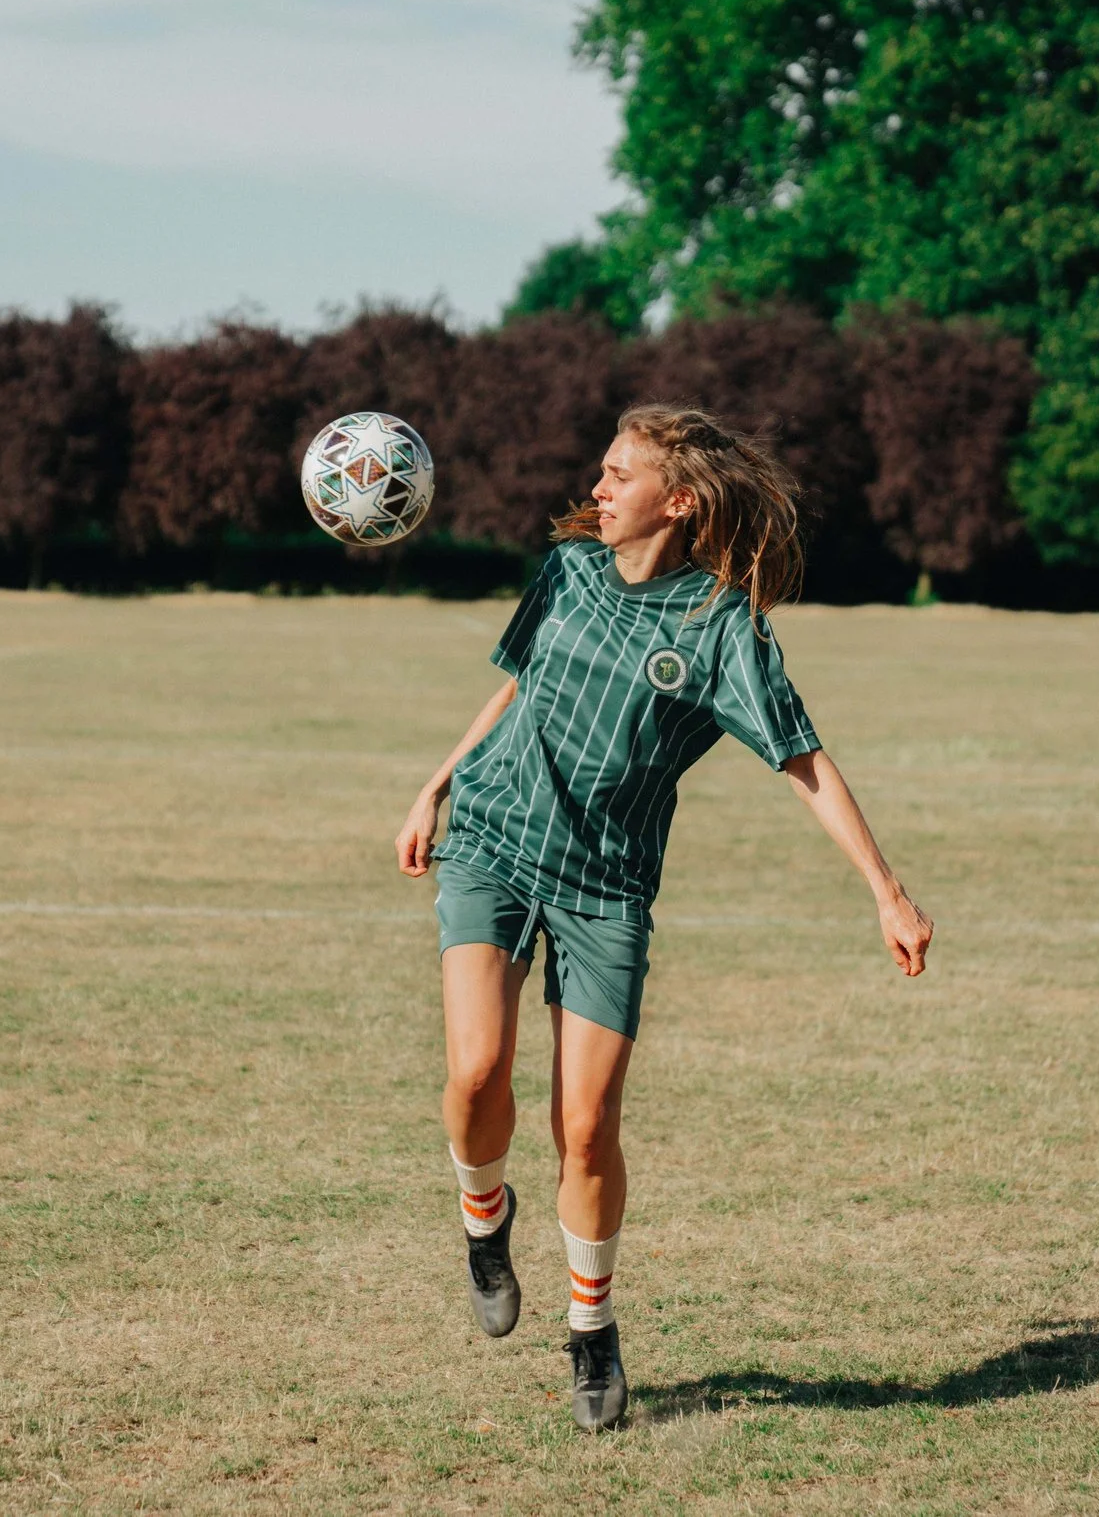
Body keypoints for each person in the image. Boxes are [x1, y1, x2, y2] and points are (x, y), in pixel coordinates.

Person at [394, 403, 935, 1433]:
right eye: (599, 471)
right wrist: (435, 783)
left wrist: (886, 888)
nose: (595, 489)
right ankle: (482, 1214)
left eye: (616, 475)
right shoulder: (565, 571)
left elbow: (801, 760)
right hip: (494, 843)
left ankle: (590, 1324)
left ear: (676, 500)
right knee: (475, 1072)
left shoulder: (721, 624)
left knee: (587, 1126)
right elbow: (513, 688)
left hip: (606, 885)